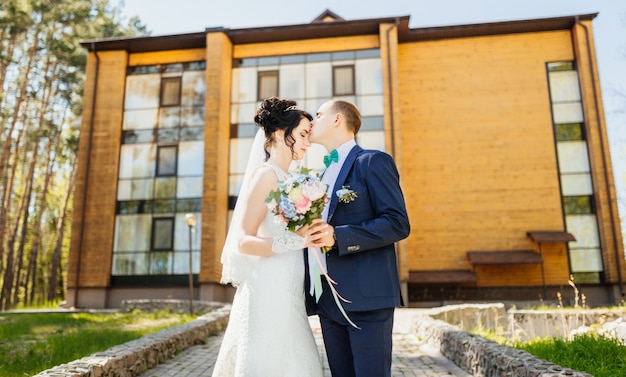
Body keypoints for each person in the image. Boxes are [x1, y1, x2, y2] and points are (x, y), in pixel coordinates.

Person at [212, 97, 327, 377]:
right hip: (268, 285)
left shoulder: (291, 179)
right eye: (302, 134)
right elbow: (243, 241)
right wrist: (300, 240)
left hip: (291, 283)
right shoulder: (266, 175)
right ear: (279, 133)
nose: (307, 142)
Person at [306, 99, 411, 377]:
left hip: (367, 298)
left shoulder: (372, 161)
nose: (312, 121)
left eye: (318, 115)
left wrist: (338, 236)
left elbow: (397, 223)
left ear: (337, 120)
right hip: (328, 301)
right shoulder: (319, 176)